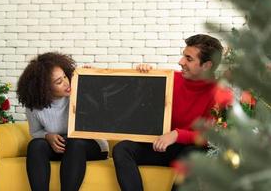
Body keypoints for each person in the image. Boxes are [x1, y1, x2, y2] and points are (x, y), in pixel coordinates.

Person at [112, 34, 224, 191]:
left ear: (206, 65)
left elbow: (214, 137)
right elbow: (139, 104)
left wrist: (178, 134)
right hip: (164, 145)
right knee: (122, 149)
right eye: (183, 56)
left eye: (189, 59)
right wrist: (145, 76)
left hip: (190, 149)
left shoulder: (220, 92)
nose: (181, 62)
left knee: (194, 155)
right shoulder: (170, 78)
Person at [16, 52, 109, 191]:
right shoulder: (34, 106)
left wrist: (91, 80)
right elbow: (35, 132)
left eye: (65, 76)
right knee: (36, 145)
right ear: (44, 89)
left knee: (74, 142)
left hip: (91, 146)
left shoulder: (80, 90)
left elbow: (103, 115)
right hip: (61, 148)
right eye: (59, 82)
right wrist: (48, 136)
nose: (66, 83)